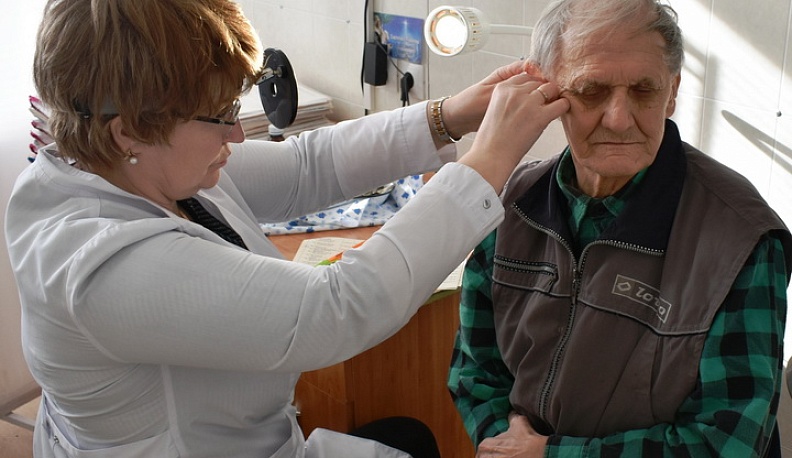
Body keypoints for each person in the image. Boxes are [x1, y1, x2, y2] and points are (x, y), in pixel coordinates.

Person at [4, 1, 569, 457]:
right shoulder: (97, 266)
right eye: (220, 116)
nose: (238, 135)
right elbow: (337, 308)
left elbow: (307, 166)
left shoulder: (138, 165)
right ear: (129, 131)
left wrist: (450, 115)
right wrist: (490, 158)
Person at [447, 0, 792, 457]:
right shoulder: (511, 204)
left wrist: (552, 455)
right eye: (591, 90)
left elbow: (725, 442)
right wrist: (505, 442)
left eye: (644, 90)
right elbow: (475, 371)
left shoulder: (740, 239)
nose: (618, 117)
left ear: (672, 92)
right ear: (548, 92)